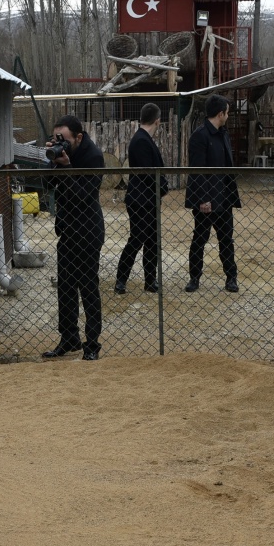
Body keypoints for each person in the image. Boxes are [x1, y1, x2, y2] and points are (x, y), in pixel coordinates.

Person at [41, 115, 105, 361]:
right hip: (67, 230)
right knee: (66, 288)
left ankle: (92, 344)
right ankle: (69, 338)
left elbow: (83, 196)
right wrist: (53, 160)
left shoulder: (94, 156)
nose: (62, 144)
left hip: (89, 230)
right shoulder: (61, 154)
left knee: (88, 288)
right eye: (58, 140)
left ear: (78, 137)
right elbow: (48, 184)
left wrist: (67, 166)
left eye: (65, 140)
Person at [185, 94, 241, 293]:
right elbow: (197, 170)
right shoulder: (199, 136)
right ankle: (194, 277)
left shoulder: (223, 133)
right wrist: (203, 198)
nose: (228, 115)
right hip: (206, 200)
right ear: (220, 113)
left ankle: (231, 277)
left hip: (224, 197)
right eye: (227, 112)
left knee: (226, 239)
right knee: (199, 238)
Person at [114, 103, 169, 294]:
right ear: (157, 120)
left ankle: (150, 280)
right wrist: (162, 186)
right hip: (141, 199)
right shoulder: (142, 140)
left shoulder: (143, 139)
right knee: (137, 239)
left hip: (147, 198)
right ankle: (121, 280)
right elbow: (148, 173)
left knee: (151, 240)